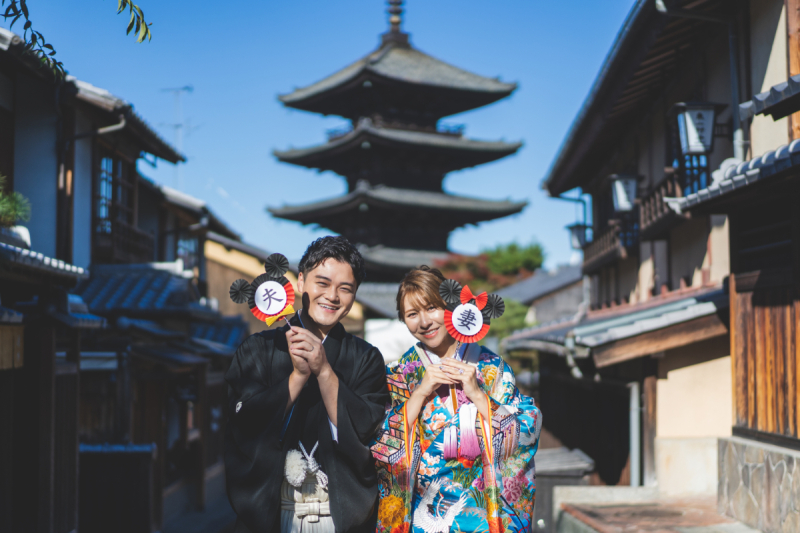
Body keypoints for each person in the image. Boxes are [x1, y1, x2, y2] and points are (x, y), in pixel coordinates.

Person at [225, 236, 389, 533]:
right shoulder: (257, 350)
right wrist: (298, 376)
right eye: (322, 283)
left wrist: (324, 371)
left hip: (337, 515)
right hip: (273, 513)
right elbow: (244, 424)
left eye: (345, 289)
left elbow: (369, 432)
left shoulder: (366, 358)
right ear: (300, 281)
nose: (332, 296)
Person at [371, 266, 541, 533]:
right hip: (421, 517)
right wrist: (419, 393)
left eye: (431, 308)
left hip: (483, 516)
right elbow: (380, 445)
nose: (424, 321)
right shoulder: (399, 374)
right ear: (403, 320)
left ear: (450, 307)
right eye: (412, 314)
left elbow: (526, 429)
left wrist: (477, 394)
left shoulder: (491, 367)